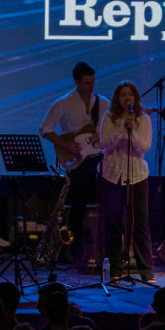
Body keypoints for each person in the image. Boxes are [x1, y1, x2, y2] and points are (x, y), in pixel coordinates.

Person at [40, 61, 109, 266]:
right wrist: (66, 145)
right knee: (78, 206)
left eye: (93, 82)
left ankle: (101, 252)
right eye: (86, 83)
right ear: (76, 82)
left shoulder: (103, 103)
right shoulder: (63, 103)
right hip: (78, 162)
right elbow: (45, 129)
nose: (91, 86)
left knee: (105, 202)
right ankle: (77, 253)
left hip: (99, 158)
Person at [99, 81, 155, 282]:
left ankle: (146, 270)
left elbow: (144, 147)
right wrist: (122, 130)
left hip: (137, 176)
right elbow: (105, 144)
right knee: (113, 222)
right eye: (123, 94)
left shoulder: (144, 119)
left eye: (130, 94)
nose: (127, 97)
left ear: (135, 98)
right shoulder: (109, 118)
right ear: (117, 98)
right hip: (111, 176)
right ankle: (115, 269)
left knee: (140, 222)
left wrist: (131, 133)